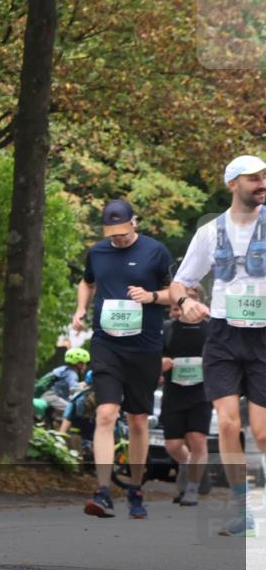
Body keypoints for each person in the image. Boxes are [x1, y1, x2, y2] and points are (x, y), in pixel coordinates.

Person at [170, 155, 266, 537]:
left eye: (264, 177)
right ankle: (242, 510)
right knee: (227, 423)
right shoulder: (210, 232)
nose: (261, 183)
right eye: (253, 178)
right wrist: (185, 302)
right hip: (224, 335)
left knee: (261, 432)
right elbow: (181, 281)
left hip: (263, 334)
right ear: (232, 184)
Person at [72, 199, 173, 519]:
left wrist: (151, 296)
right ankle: (102, 492)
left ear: (135, 222)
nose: (117, 239)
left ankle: (136, 486)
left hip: (144, 348)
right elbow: (87, 282)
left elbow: (177, 291)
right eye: (111, 234)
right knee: (105, 414)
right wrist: (80, 310)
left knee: (138, 420)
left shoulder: (156, 251)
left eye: (122, 232)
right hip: (106, 345)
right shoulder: (98, 252)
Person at [160, 286, 212, 507]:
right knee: (173, 445)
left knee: (198, 439)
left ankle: (192, 489)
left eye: (190, 298)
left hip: (202, 392)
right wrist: (161, 364)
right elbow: (155, 356)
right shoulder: (168, 328)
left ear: (198, 300)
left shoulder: (211, 329)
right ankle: (186, 463)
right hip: (174, 391)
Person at [38, 348, 91, 428]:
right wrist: (88, 388)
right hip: (53, 397)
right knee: (71, 410)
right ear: (79, 364)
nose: (85, 366)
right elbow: (74, 389)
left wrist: (82, 384)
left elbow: (69, 386)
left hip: (48, 395)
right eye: (84, 363)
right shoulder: (72, 374)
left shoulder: (64, 369)